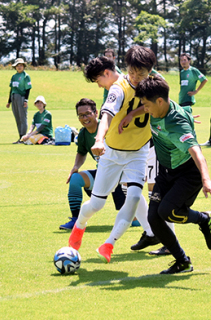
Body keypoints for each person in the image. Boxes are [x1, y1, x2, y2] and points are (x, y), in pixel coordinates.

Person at [68, 46, 159, 263]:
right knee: (96, 205)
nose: (137, 78)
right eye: (133, 73)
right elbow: (106, 116)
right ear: (127, 68)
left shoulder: (152, 82)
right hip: (112, 154)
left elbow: (162, 104)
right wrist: (99, 140)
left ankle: (109, 243)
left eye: (141, 73)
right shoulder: (118, 89)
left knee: (135, 197)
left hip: (138, 152)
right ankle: (79, 226)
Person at [135, 75, 211, 274]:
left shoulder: (175, 122)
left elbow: (196, 151)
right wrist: (131, 116)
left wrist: (206, 180)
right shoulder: (161, 105)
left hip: (188, 173)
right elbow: (185, 110)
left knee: (167, 211)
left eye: (146, 105)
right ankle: (182, 262)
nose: (145, 109)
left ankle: (204, 219)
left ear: (159, 101)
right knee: (153, 218)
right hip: (166, 171)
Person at [59, 98, 126, 230]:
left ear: (96, 113)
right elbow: (81, 152)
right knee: (75, 179)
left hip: (121, 177)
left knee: (133, 220)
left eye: (88, 113)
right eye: (81, 115)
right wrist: (75, 167)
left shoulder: (109, 127)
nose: (84, 118)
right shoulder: (83, 134)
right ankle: (76, 220)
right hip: (102, 175)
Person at [6, 58, 32, 144]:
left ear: (23, 66)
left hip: (21, 97)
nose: (19, 67)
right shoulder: (14, 76)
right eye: (17, 66)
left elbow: (28, 89)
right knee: (17, 118)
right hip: (14, 98)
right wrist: (9, 101)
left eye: (21, 65)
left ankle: (23, 137)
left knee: (22, 118)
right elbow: (11, 89)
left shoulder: (26, 76)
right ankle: (20, 137)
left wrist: (26, 100)